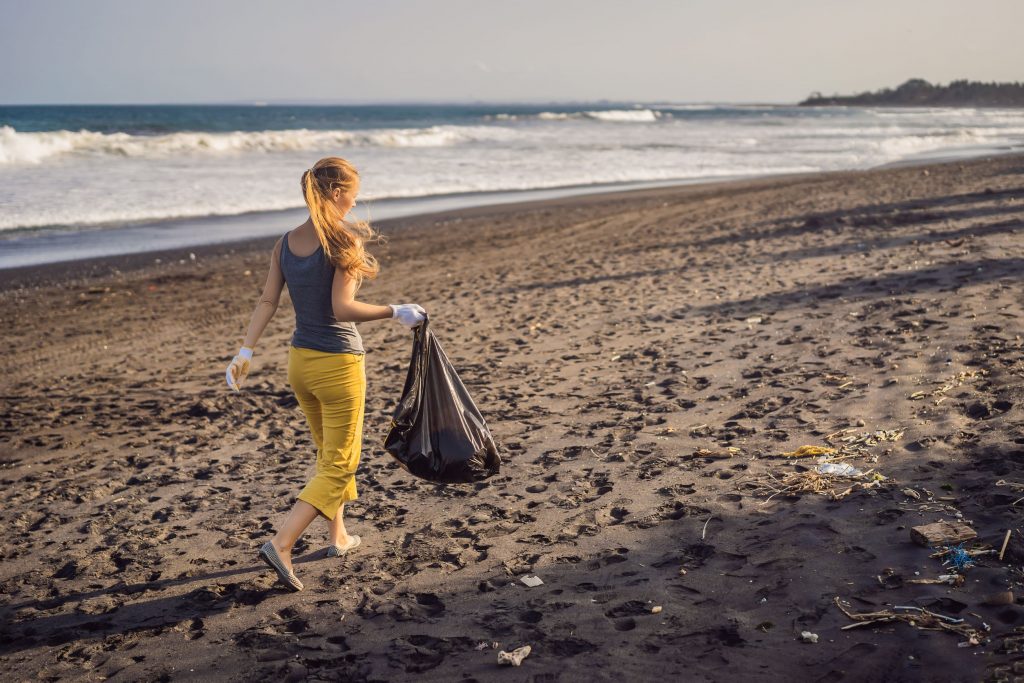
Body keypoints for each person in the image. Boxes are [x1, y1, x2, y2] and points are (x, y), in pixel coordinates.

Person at [224, 156, 426, 592]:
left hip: (300, 364)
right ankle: (282, 543)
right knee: (340, 461)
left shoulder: (285, 242)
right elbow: (342, 309)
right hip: (338, 364)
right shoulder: (343, 242)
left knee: (326, 452)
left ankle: (338, 536)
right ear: (337, 193)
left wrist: (245, 351)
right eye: (353, 193)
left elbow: (266, 302)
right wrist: (396, 312)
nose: (355, 202)